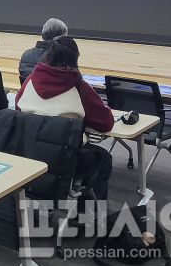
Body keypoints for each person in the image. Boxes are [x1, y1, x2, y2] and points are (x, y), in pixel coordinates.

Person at [16, 35, 114, 206]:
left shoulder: (30, 79)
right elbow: (106, 123)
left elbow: (18, 109)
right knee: (103, 159)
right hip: (63, 161)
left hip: (27, 154)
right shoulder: (79, 86)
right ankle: (87, 213)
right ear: (75, 58)